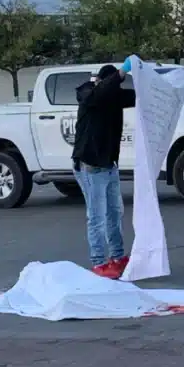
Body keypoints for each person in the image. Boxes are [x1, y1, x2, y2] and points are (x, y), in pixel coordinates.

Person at [72, 59, 136, 279]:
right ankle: (99, 262)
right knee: (97, 216)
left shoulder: (113, 96)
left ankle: (117, 256)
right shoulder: (88, 93)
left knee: (115, 213)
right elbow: (99, 93)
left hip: (108, 164)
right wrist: (121, 72)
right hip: (90, 166)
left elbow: (136, 96)